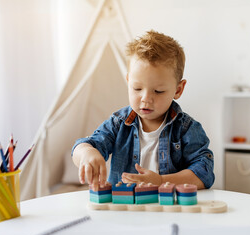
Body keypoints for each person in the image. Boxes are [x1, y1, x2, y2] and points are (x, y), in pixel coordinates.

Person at [72, 30, 214, 191]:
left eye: (158, 91)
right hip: (125, 209)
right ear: (128, 81)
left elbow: (205, 172)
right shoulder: (118, 123)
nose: (146, 98)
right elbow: (83, 145)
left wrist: (161, 180)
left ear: (178, 90)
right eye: (137, 88)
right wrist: (87, 154)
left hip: (169, 210)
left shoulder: (186, 129)